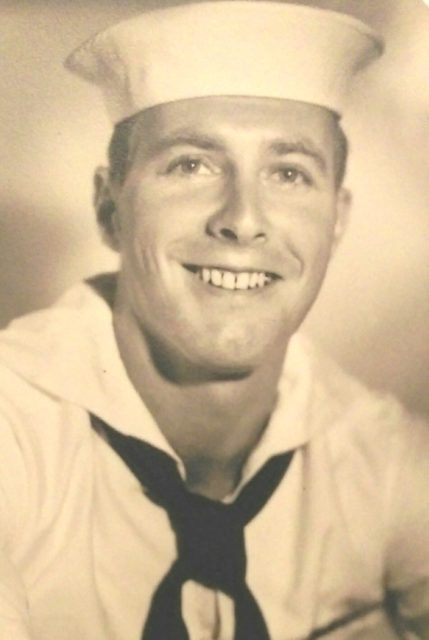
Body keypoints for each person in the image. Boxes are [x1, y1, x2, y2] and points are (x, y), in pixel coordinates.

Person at [0, 2, 428, 639]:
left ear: (335, 221)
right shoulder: (16, 431)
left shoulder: (385, 458)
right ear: (109, 208)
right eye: (191, 164)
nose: (243, 218)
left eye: (289, 173)